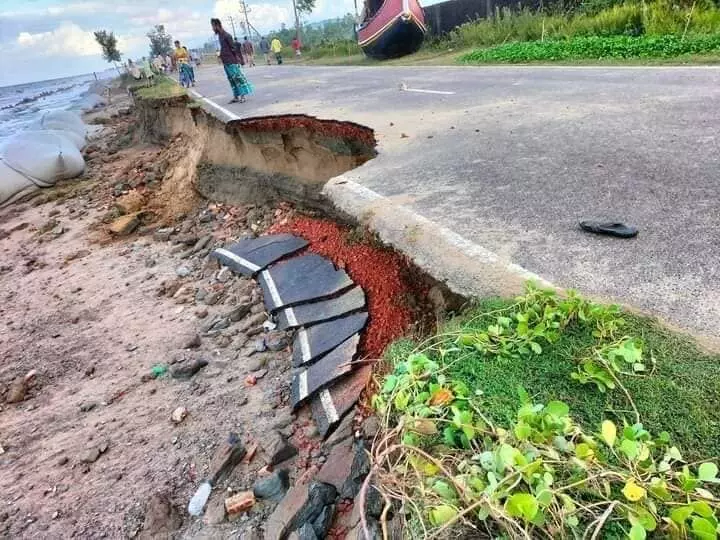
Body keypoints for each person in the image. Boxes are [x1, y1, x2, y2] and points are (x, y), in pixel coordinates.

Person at [211, 18, 253, 104]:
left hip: (231, 61)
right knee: (231, 79)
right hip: (225, 61)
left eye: (213, 26)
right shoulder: (220, 36)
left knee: (237, 78)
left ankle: (242, 96)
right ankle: (236, 96)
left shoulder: (227, 36)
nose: (212, 29)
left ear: (217, 26)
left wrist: (239, 59)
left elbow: (233, 48)